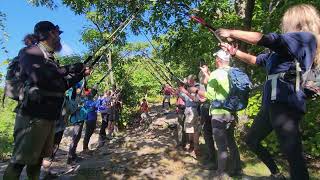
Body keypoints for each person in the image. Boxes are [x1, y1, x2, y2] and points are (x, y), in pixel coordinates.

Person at [216, 4, 320, 179]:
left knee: (293, 156)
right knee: (252, 140)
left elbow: (267, 39)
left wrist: (231, 32)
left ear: (298, 19)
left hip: (286, 102)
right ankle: (276, 174)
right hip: (271, 104)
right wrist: (234, 53)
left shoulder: (304, 38)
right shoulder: (280, 51)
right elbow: (256, 60)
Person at [3, 21, 90, 180]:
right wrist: (70, 68)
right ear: (51, 33)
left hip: (48, 117)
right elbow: (40, 76)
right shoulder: (31, 52)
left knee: (36, 160)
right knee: (18, 162)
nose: (59, 38)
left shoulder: (50, 59)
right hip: (32, 117)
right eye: (58, 34)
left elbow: (59, 85)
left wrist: (79, 75)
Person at [190, 50, 242, 177]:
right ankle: (237, 168)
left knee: (221, 146)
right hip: (231, 111)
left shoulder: (216, 73)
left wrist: (196, 90)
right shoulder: (235, 72)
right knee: (231, 141)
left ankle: (220, 173)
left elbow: (210, 95)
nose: (215, 61)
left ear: (218, 60)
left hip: (218, 113)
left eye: (216, 59)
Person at [198, 62, 217, 168]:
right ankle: (211, 156)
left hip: (211, 110)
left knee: (213, 135)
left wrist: (202, 96)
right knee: (207, 134)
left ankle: (214, 161)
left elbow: (211, 96)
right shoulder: (204, 82)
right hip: (205, 109)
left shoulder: (211, 80)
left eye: (202, 73)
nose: (201, 75)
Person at [179, 75, 201, 157]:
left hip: (194, 111)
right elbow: (185, 98)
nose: (187, 81)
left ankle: (196, 148)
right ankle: (192, 146)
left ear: (191, 80)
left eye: (188, 80)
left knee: (194, 130)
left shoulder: (197, 87)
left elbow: (197, 100)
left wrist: (186, 92)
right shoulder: (190, 88)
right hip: (188, 111)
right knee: (189, 130)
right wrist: (179, 92)